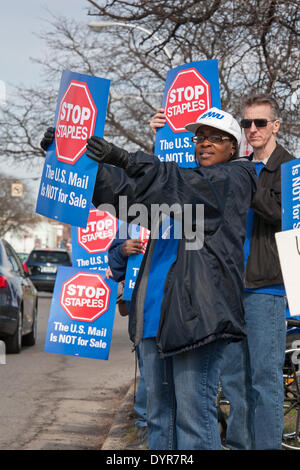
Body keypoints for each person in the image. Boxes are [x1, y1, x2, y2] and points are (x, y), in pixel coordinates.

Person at [84, 107, 257, 450]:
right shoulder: (182, 190)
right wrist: (77, 164)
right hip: (154, 321)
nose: (205, 143)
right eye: (200, 137)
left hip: (198, 320)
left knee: (194, 420)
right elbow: (127, 196)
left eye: (216, 138)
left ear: (234, 148)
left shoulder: (235, 179)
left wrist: (125, 157)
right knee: (158, 419)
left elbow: (179, 182)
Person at [220, 94, 295, 450]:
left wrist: (248, 182)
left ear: (275, 126)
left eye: (260, 123)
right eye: (247, 122)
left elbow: (283, 217)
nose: (252, 129)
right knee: (234, 379)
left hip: (268, 289)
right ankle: (238, 445)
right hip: (232, 289)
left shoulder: (290, 170)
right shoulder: (240, 166)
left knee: (265, 379)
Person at [106, 228, 148, 448]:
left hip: (171, 297)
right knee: (147, 366)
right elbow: (112, 264)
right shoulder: (131, 220)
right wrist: (123, 250)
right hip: (137, 301)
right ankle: (145, 429)